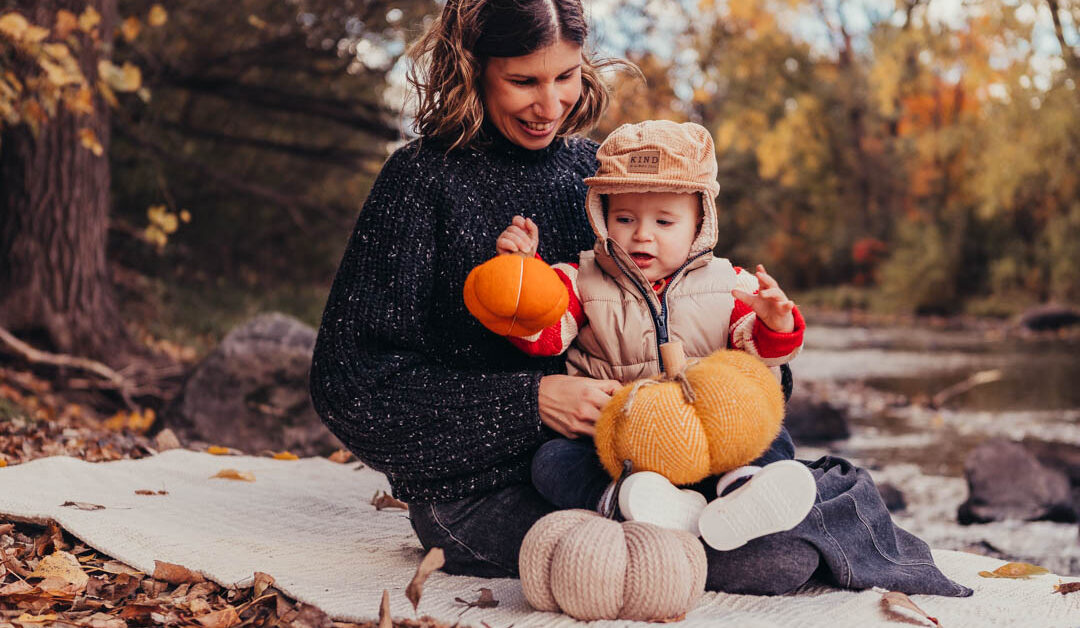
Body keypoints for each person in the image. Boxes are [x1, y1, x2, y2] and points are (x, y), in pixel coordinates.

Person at [308, 0, 972, 597]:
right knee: (765, 561)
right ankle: (824, 501)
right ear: (472, 67)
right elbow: (350, 386)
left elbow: (688, 304)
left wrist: (747, 359)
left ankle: (771, 495)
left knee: (766, 543)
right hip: (488, 486)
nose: (551, 104)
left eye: (566, 76)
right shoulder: (420, 182)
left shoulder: (599, 177)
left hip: (653, 453)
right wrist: (530, 403)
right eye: (524, 81)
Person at [494, 120, 815, 551]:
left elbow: (758, 352)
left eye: (664, 221)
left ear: (700, 223)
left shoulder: (730, 284)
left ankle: (740, 492)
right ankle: (630, 503)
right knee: (551, 462)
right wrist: (523, 277)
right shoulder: (579, 280)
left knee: (772, 433)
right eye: (624, 218)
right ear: (601, 216)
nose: (642, 234)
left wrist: (776, 323)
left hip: (711, 438)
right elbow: (542, 335)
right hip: (624, 444)